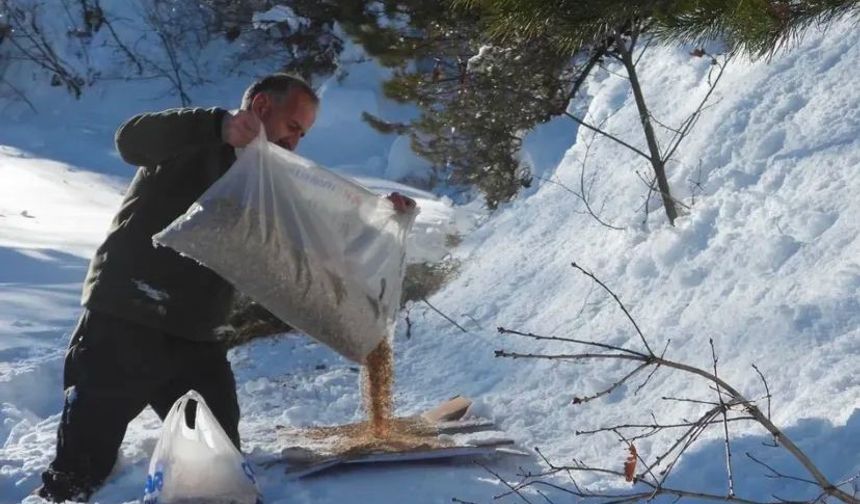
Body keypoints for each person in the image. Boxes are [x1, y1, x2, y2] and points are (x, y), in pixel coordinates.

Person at [37, 73, 416, 502]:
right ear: (261, 108)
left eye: (303, 135)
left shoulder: (270, 180)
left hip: (196, 338)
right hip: (127, 316)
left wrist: (382, 218)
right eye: (293, 127)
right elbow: (130, 140)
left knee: (222, 467)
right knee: (79, 471)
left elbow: (319, 232)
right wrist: (217, 124)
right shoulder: (196, 140)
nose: (295, 142)